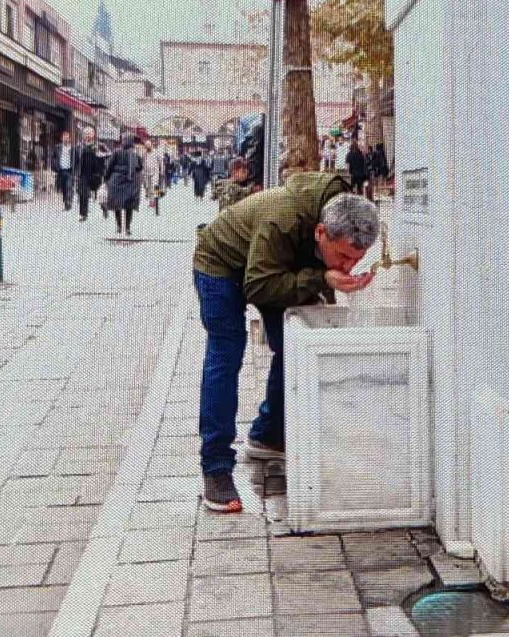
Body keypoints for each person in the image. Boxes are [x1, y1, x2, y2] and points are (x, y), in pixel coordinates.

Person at [193, 172, 379, 512]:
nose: (348, 265)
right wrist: (321, 277)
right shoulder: (283, 219)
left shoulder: (339, 211)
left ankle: (268, 434)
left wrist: (326, 284)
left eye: (356, 259)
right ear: (320, 232)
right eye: (342, 257)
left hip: (273, 267)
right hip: (221, 263)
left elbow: (303, 277)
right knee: (226, 352)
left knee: (295, 344)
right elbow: (259, 286)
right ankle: (216, 467)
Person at [105, 135, 144, 235]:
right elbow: (140, 167)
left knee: (117, 204)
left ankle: (118, 226)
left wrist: (106, 178)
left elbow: (109, 166)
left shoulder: (117, 152)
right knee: (129, 206)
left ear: (123, 142)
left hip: (116, 182)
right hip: (130, 183)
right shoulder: (135, 154)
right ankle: (127, 228)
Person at [75, 129, 105, 222]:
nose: (87, 135)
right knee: (82, 194)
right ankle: (83, 214)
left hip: (95, 175)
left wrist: (101, 172)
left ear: (93, 135)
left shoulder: (98, 145)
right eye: (86, 134)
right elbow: (77, 160)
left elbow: (105, 157)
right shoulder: (80, 146)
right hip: (83, 174)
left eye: (89, 134)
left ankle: (104, 208)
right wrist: (76, 173)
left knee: (100, 194)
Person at [51, 131, 79, 211]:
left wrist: (76, 171)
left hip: (70, 171)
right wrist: (55, 166)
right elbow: (53, 158)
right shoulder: (57, 147)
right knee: (63, 188)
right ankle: (66, 201)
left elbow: (77, 160)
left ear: (69, 139)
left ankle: (68, 204)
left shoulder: (73, 149)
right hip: (61, 171)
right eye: (64, 137)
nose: (66, 139)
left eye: (67, 138)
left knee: (69, 187)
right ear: (62, 138)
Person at [141, 142, 164, 215]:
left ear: (151, 145)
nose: (147, 146)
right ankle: (152, 202)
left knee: (155, 186)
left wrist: (162, 170)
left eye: (148, 145)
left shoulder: (156, 152)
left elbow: (161, 162)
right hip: (146, 173)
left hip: (155, 172)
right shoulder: (144, 154)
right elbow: (142, 163)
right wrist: (142, 171)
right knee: (149, 187)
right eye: (146, 145)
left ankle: (156, 200)